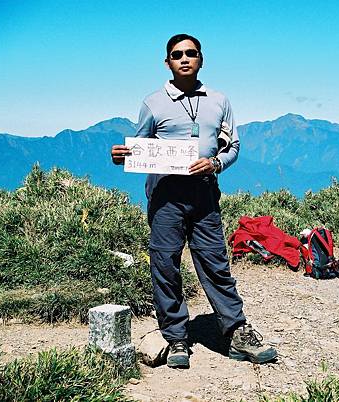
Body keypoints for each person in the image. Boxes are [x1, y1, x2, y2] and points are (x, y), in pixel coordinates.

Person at [110, 33, 277, 369]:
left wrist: (215, 163)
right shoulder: (153, 103)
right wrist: (122, 156)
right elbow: (140, 147)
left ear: (201, 58)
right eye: (177, 54)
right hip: (166, 194)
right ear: (167, 62)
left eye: (191, 53)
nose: (184, 58)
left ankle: (236, 332)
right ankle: (176, 338)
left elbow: (233, 146)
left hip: (204, 190)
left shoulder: (219, 100)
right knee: (165, 265)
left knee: (215, 263)